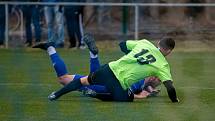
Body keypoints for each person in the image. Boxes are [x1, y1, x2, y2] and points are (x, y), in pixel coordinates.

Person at [34, 33, 179, 102]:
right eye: (158, 80)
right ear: (154, 76)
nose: (158, 81)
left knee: (64, 78)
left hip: (110, 69)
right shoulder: (145, 77)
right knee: (95, 84)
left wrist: (148, 90)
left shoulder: (145, 47)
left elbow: (122, 45)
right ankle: (93, 56)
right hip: (111, 85)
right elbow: (137, 93)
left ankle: (51, 48)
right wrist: (143, 95)